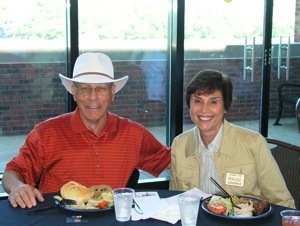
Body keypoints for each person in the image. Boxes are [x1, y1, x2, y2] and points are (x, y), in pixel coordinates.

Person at [3, 52, 171, 208]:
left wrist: (198, 131)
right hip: (56, 220)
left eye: (101, 89)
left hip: (110, 220)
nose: (92, 96)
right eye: (85, 88)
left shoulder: (134, 134)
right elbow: (12, 172)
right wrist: (18, 187)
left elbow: (171, 160)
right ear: (74, 92)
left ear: (112, 92)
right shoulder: (46, 133)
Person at [169, 69, 295, 208]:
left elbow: (283, 203)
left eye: (213, 102)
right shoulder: (179, 145)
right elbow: (176, 203)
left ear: (225, 106)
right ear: (189, 105)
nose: (204, 109)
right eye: (198, 101)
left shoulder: (253, 143)